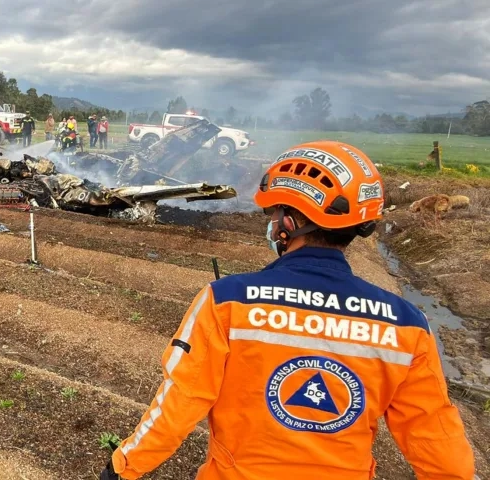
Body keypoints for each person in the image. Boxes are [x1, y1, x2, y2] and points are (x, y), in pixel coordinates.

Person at [101, 141, 475, 480]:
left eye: (273, 215)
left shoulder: (226, 301)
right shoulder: (406, 323)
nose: (270, 223)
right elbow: (436, 438)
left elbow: (179, 403)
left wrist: (122, 468)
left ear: (289, 224)